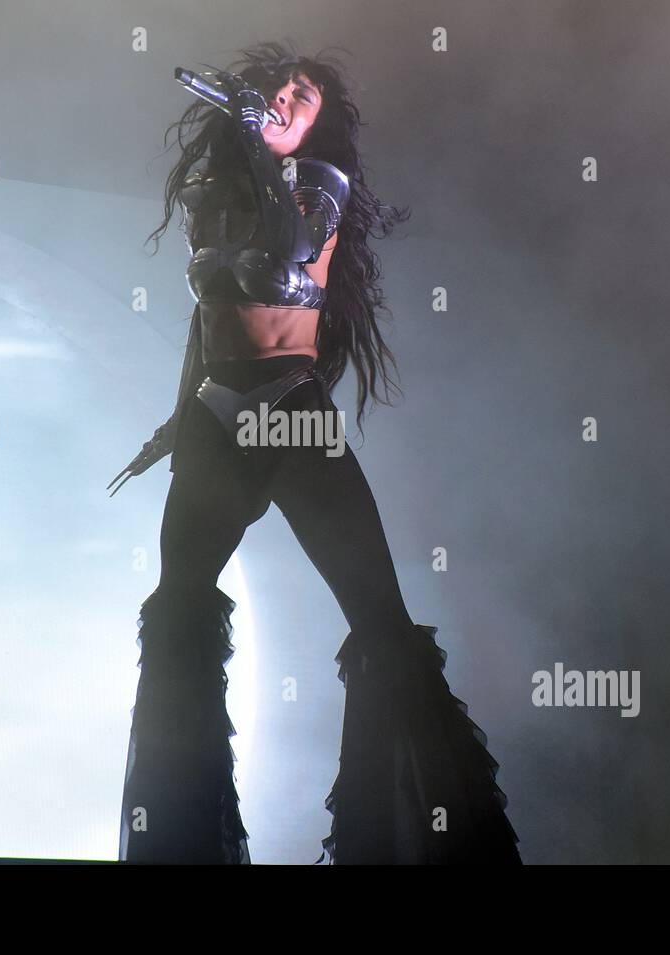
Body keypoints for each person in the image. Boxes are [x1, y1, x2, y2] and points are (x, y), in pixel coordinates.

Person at [109, 41, 523, 864]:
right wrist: (173, 420)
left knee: (381, 623)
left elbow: (288, 256)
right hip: (215, 414)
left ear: (317, 120)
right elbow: (210, 318)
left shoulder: (319, 185)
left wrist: (260, 150)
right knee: (179, 613)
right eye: (279, 88)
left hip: (290, 411)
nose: (289, 98)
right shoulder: (210, 191)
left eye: (305, 94)